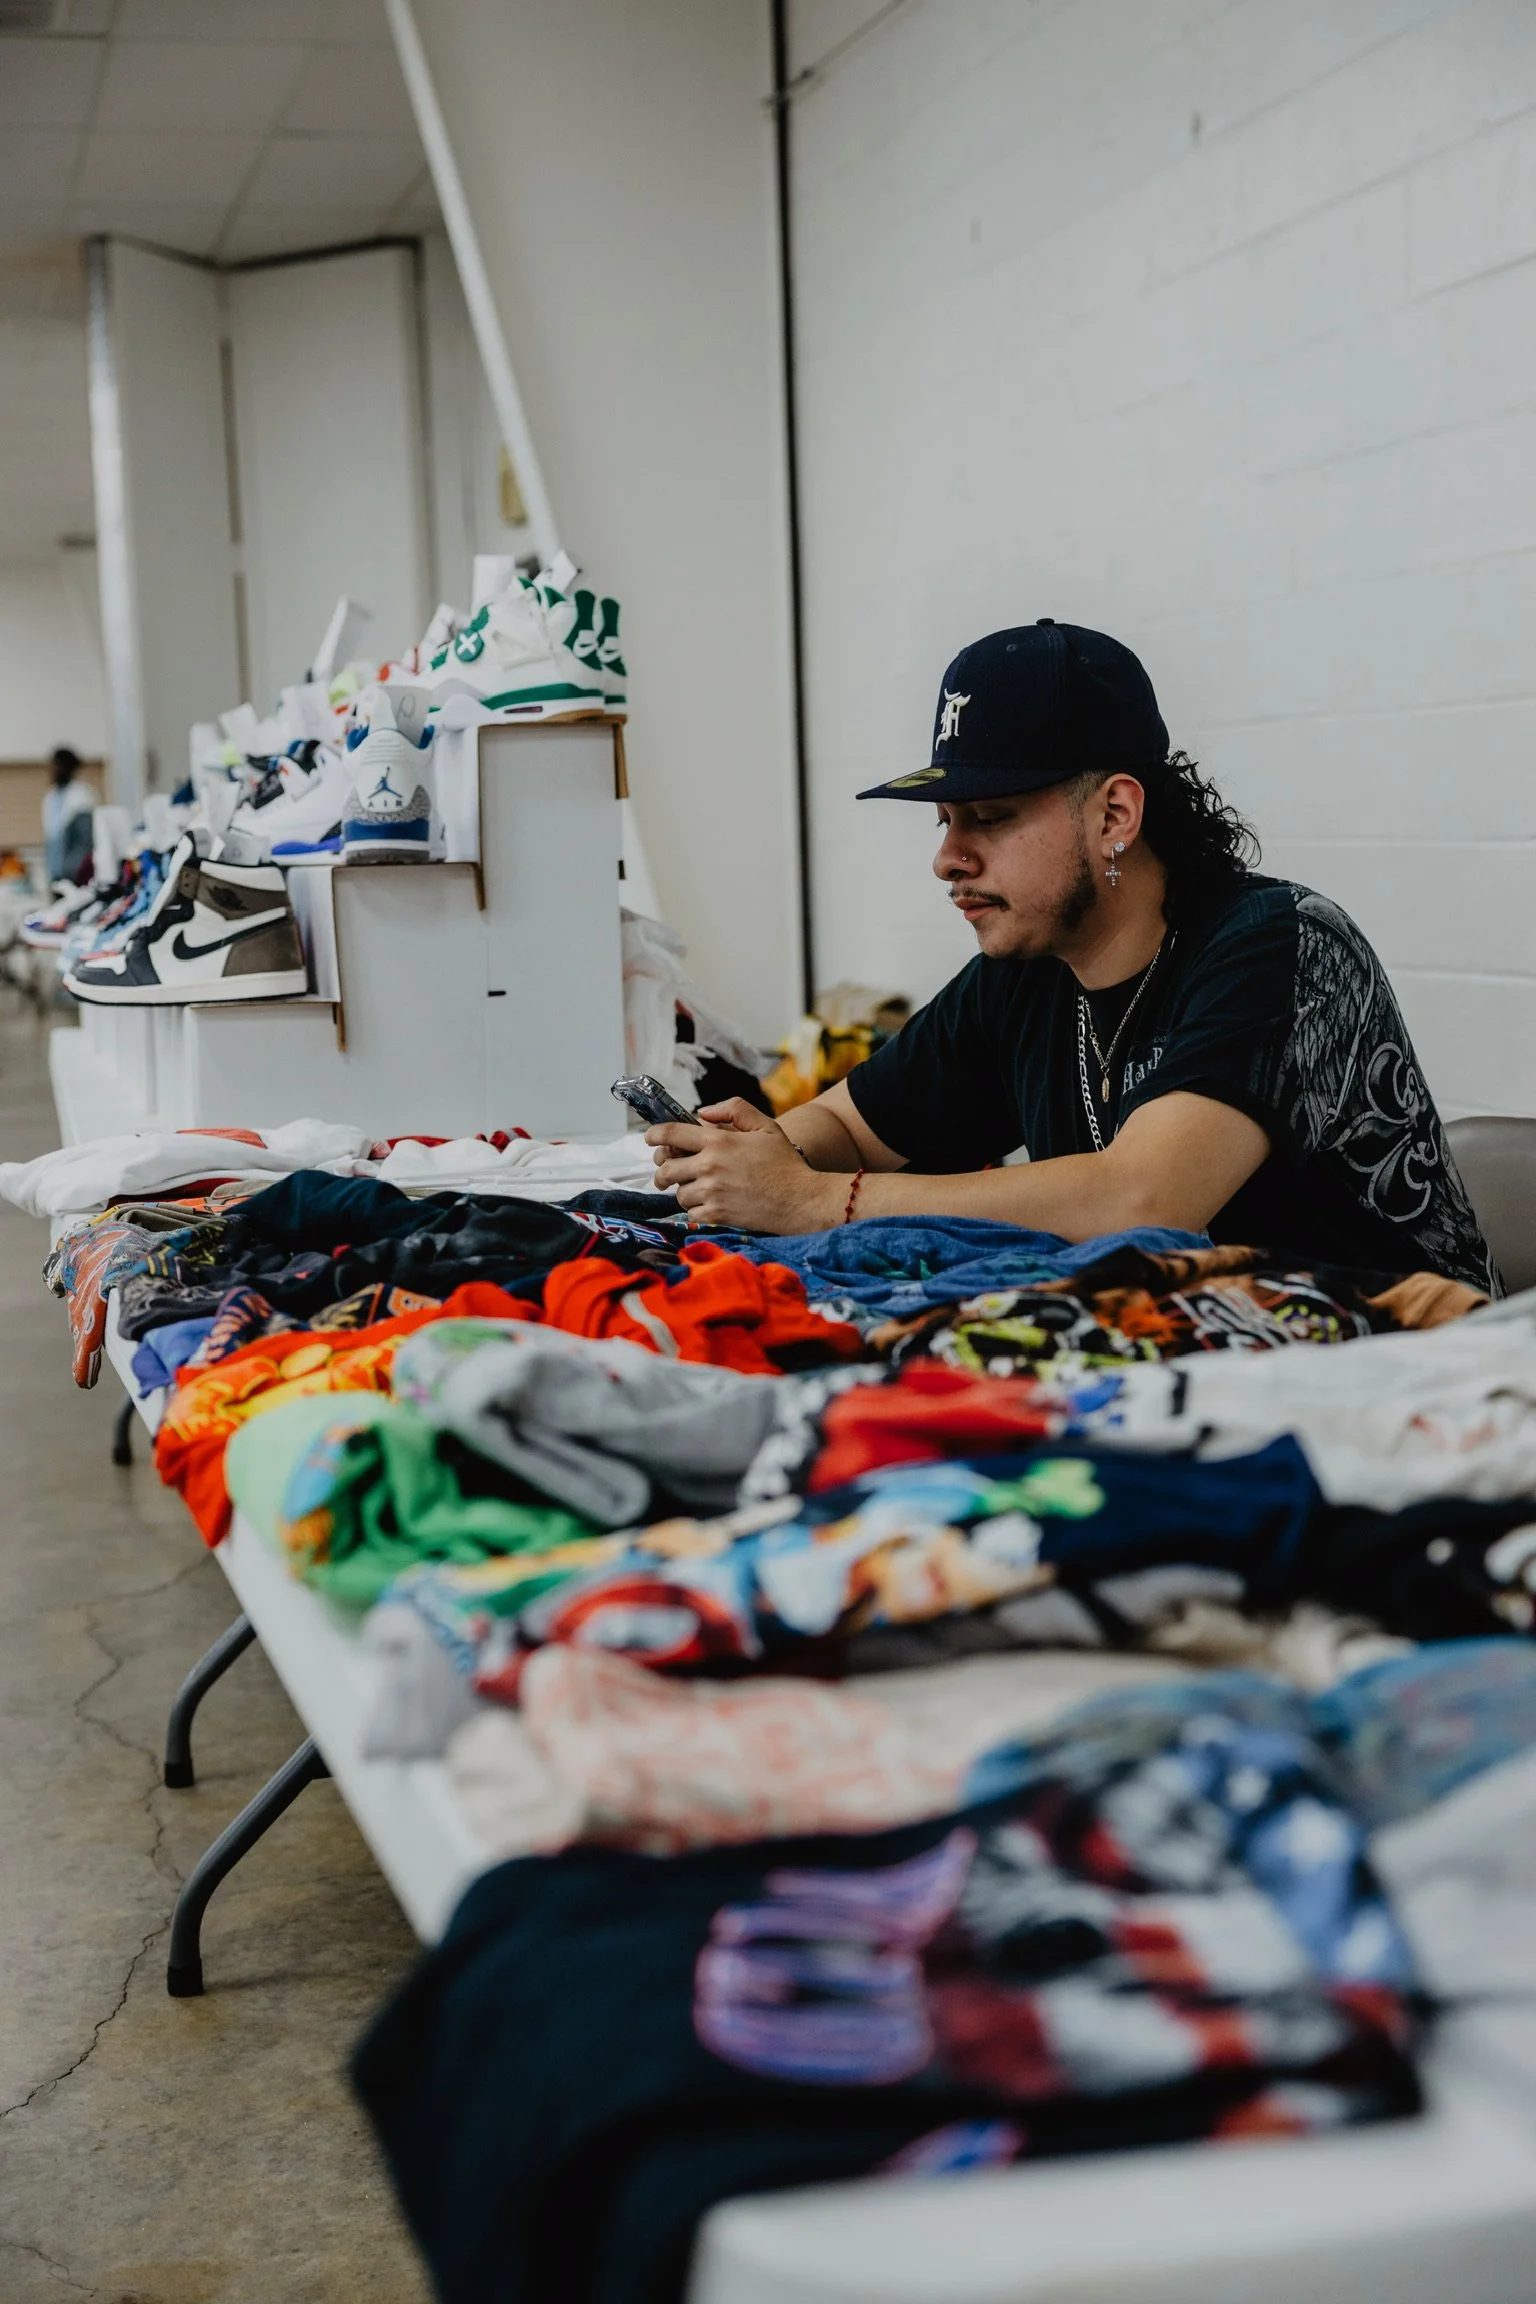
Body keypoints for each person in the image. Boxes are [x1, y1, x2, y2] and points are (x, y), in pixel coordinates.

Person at [649, 619, 1497, 1294]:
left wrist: (809, 1200)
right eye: (944, 822)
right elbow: (846, 1125)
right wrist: (750, 1157)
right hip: (1218, 1363)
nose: (948, 859)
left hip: (1421, 1379)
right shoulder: (1026, 969)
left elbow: (1145, 1199)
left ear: (1114, 815)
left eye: (990, 816)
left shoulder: (1280, 945)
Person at [41, 747, 93, 885]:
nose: (53, 769)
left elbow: (85, 841)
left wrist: (73, 869)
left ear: (67, 768)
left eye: (57, 765)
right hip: (56, 872)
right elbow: (51, 838)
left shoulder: (82, 795)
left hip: (75, 873)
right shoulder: (51, 796)